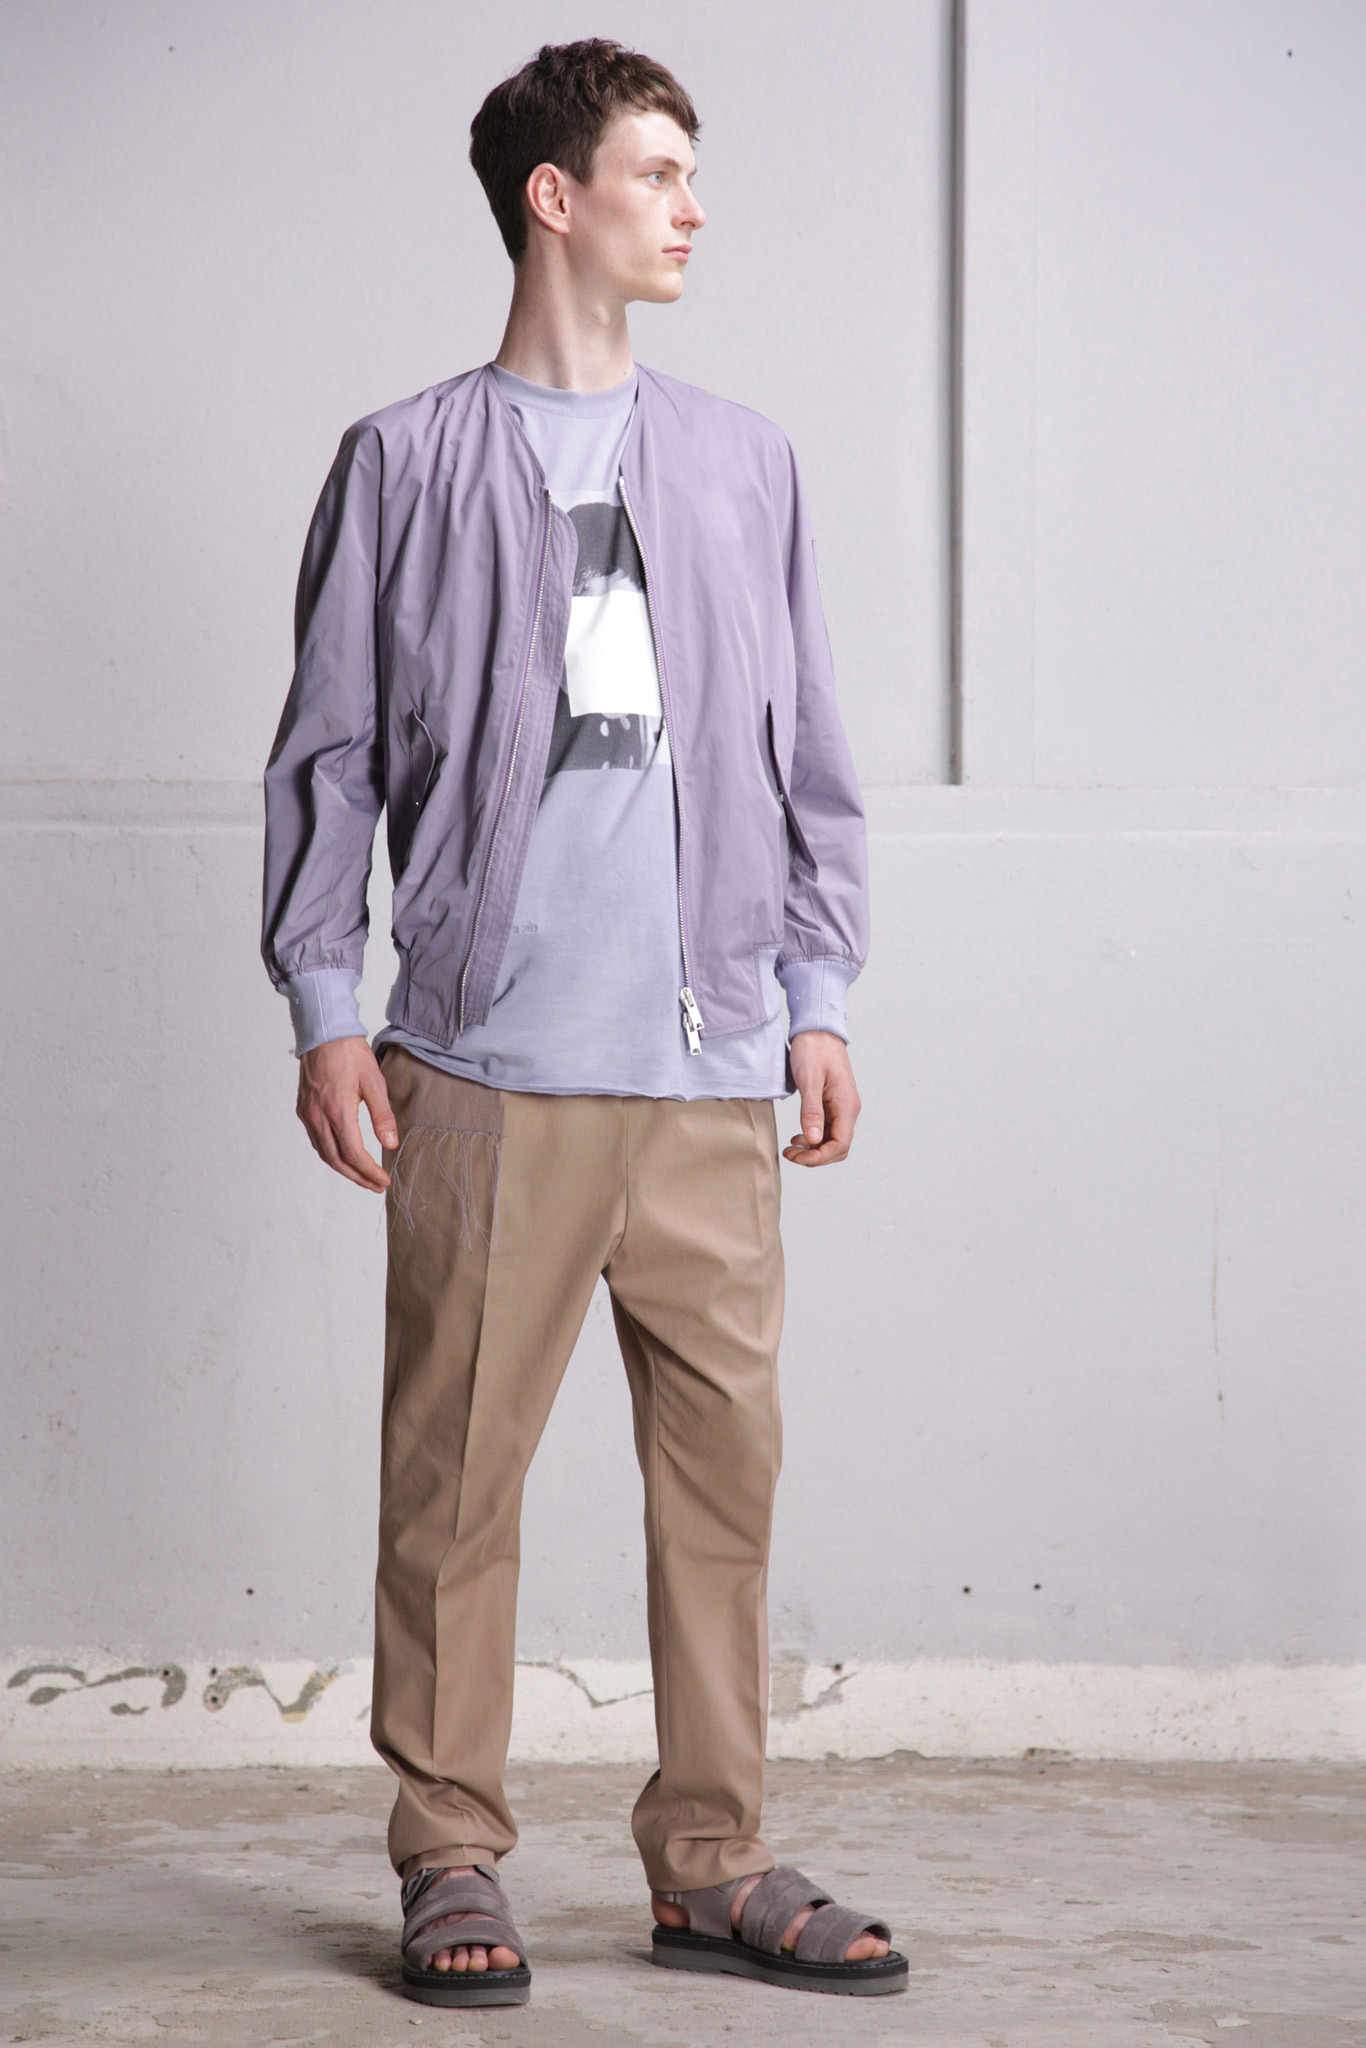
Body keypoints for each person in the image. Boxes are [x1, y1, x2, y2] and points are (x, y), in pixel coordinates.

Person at [261, 37, 903, 2009]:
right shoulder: (402, 461)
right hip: (484, 1069)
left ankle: (710, 1859)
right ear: (556, 198)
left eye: (690, 174)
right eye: (656, 172)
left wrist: (813, 996)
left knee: (722, 1491)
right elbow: (331, 758)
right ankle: (449, 1847)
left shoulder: (742, 460)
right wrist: (327, 1004)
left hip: (711, 1074)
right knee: (453, 1489)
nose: (692, 207)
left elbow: (804, 750)